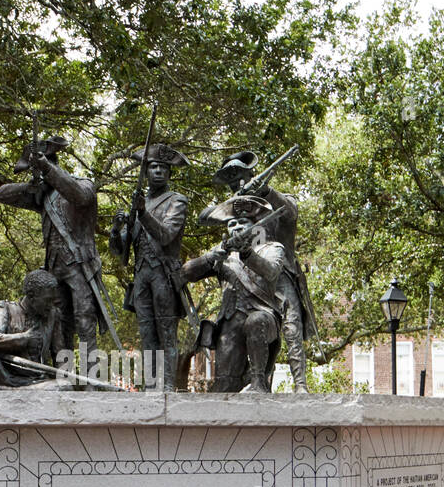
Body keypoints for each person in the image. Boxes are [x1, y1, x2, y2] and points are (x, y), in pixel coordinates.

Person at [200, 151, 318, 392]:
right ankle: (255, 381)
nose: (237, 184)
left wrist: (266, 191)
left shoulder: (274, 199)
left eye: (240, 178)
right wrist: (232, 202)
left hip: (280, 270)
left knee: (292, 325)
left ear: (251, 174)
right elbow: (205, 218)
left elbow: (291, 212)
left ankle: (301, 385)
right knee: (251, 328)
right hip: (248, 276)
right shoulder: (236, 208)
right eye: (232, 182)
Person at [0, 136, 110, 355]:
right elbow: (2, 194)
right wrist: (30, 185)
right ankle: (63, 376)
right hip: (54, 269)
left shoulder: (82, 183)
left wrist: (47, 169)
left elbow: (81, 196)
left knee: (84, 319)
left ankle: (89, 382)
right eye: (34, 169)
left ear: (52, 163)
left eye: (38, 167)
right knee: (59, 324)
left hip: (80, 266)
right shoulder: (43, 195)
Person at [181, 195, 287, 393]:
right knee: (225, 384)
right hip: (230, 323)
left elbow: (271, 271)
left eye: (243, 222)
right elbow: (185, 273)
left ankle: (258, 382)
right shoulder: (223, 252)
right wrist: (211, 257)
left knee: (255, 321)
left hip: (264, 318)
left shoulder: (272, 248)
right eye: (232, 223)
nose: (237, 227)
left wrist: (247, 253)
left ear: (256, 225)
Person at [111, 143, 191, 391]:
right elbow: (120, 250)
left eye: (163, 168)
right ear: (145, 172)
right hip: (142, 277)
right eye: (153, 167)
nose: (158, 171)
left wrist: (143, 213)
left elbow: (166, 235)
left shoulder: (177, 201)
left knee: (166, 331)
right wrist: (116, 229)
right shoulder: (138, 204)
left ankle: (166, 385)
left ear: (169, 173)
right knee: (147, 334)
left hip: (165, 275)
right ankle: (151, 384)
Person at [0, 269, 67, 390]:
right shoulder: (5, 308)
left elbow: (60, 352)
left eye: (53, 300)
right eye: (47, 300)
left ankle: (6, 391)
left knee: (64, 386)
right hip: (2, 375)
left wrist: (65, 376)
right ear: (31, 296)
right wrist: (24, 339)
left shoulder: (53, 315)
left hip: (35, 382)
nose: (51, 305)